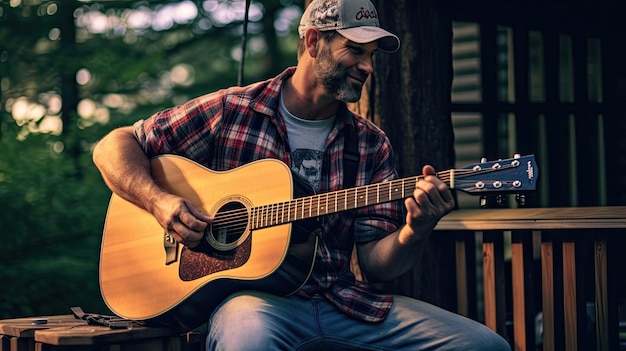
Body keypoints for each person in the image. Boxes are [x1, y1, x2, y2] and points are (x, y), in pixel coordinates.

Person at [93, 0, 511, 349]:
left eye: (372, 56)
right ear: (314, 41)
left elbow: (376, 265)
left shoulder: (369, 144)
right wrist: (160, 202)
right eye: (356, 51)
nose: (369, 67)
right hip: (252, 302)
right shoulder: (232, 110)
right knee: (247, 336)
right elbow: (114, 145)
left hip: (345, 303)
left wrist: (415, 230)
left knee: (484, 345)